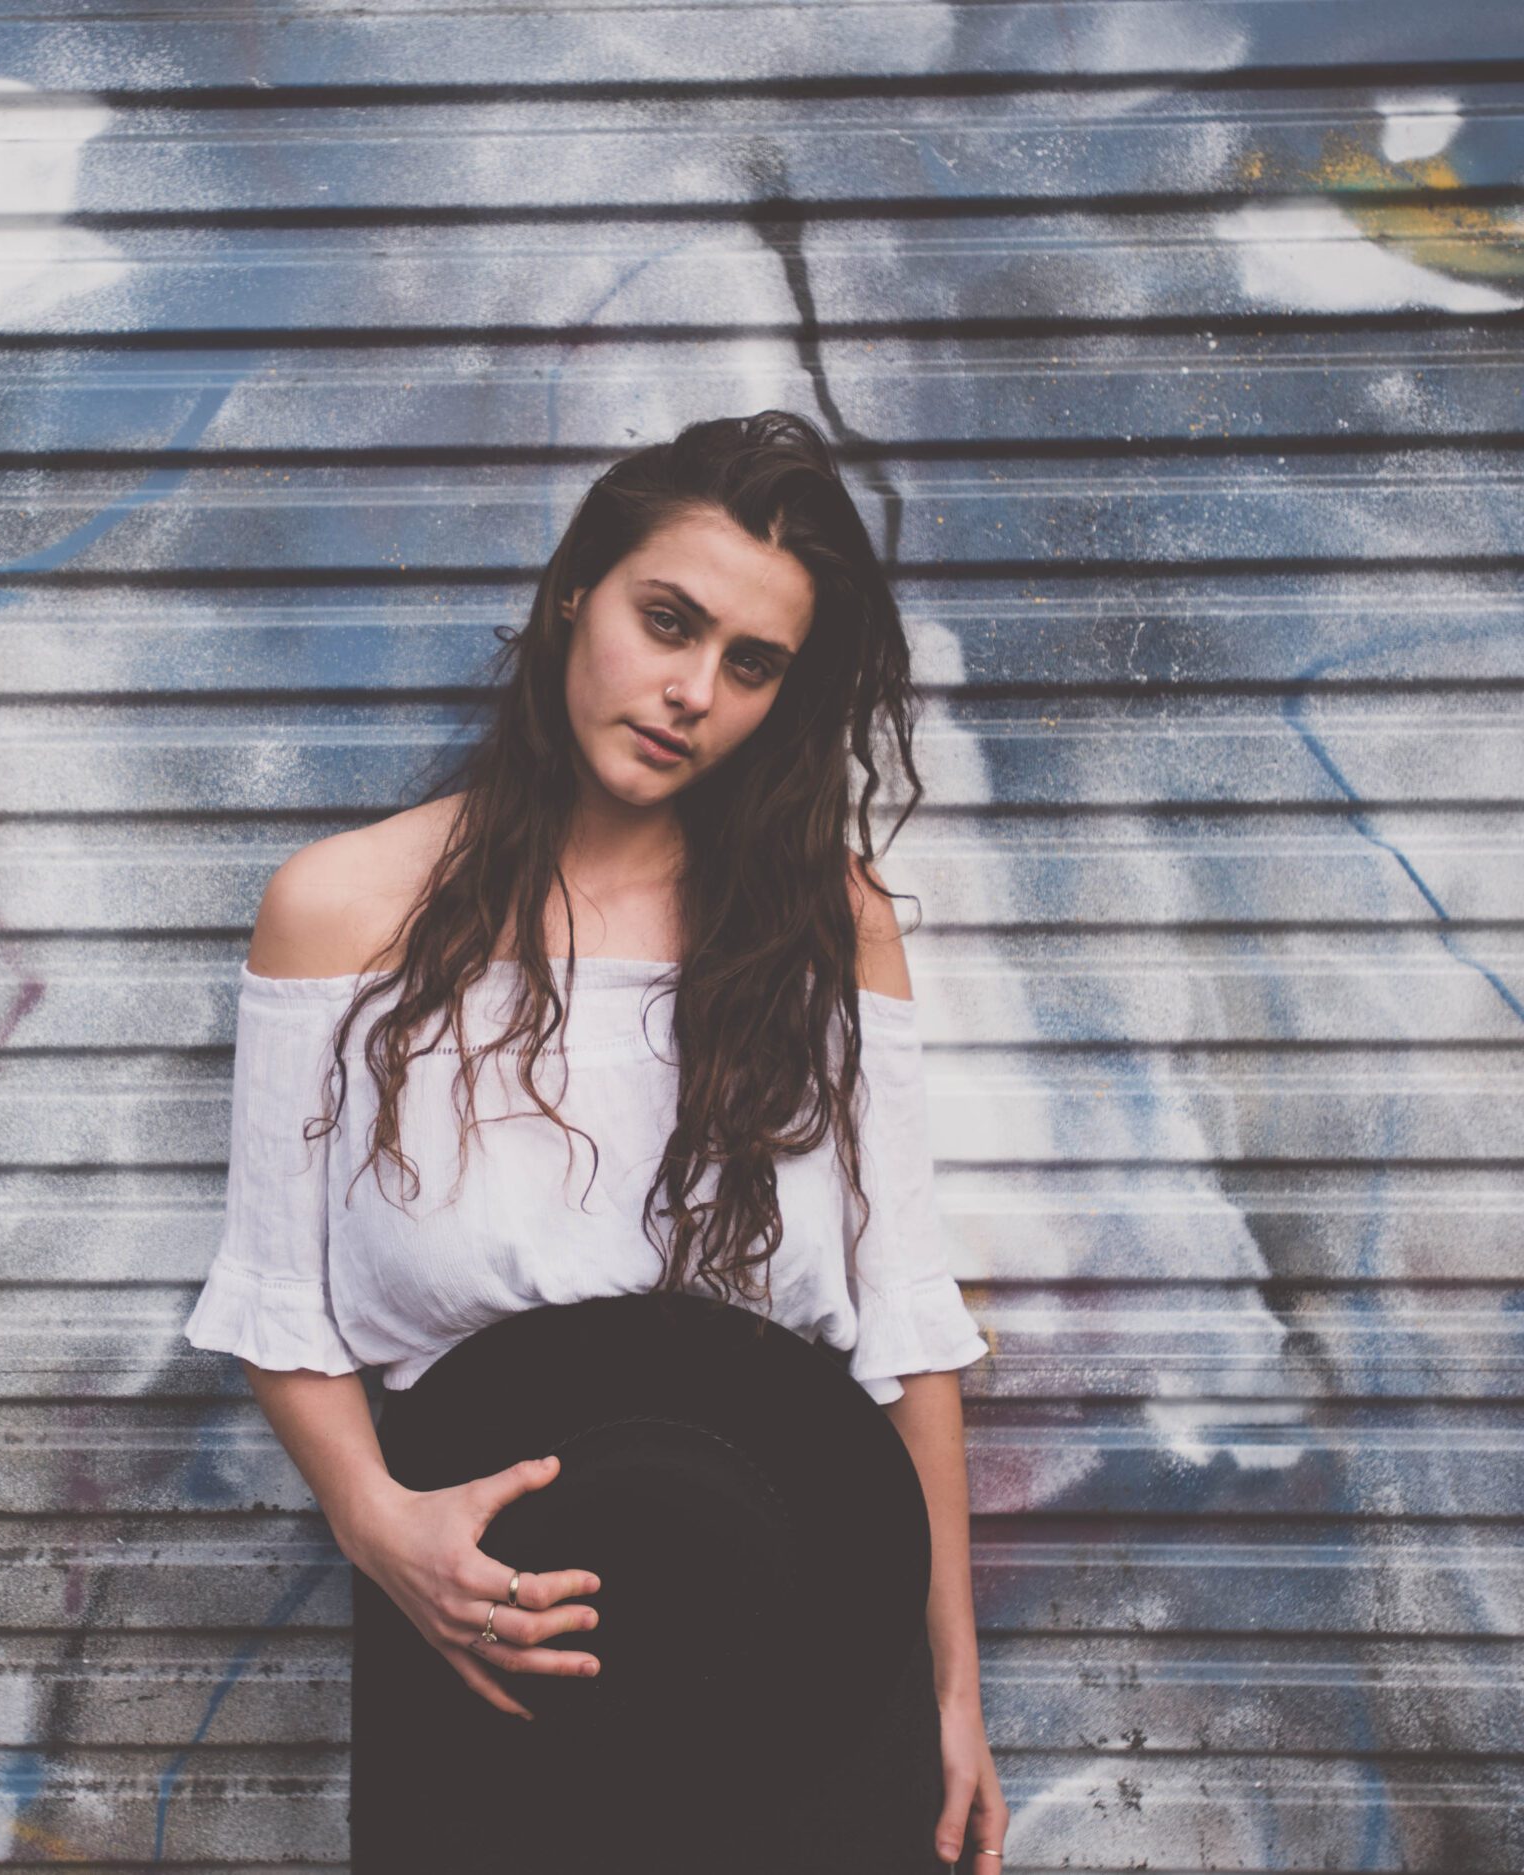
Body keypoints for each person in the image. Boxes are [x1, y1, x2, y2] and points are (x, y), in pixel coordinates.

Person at [182, 411, 1011, 1869]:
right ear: (576, 594)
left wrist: (954, 1693)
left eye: (751, 664)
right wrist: (378, 1527)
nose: (693, 691)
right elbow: (276, 1303)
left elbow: (904, 1328)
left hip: (812, 1654)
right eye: (667, 621)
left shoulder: (829, 926)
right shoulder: (342, 911)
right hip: (486, 1659)